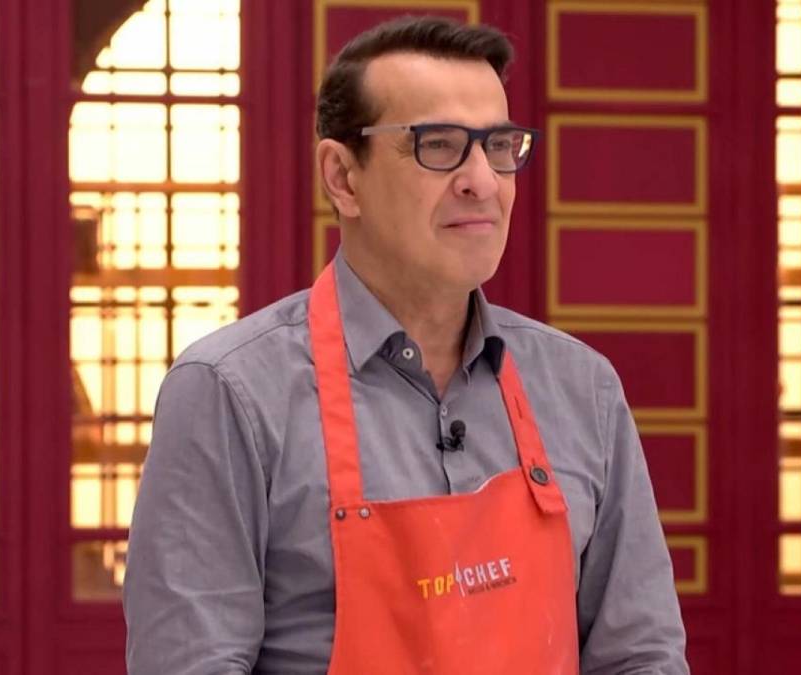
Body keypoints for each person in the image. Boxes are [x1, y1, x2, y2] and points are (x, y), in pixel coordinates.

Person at [123, 15, 688, 674]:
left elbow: (640, 655)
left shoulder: (581, 387)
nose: (483, 180)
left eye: (498, 146)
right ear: (343, 177)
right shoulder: (231, 393)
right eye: (439, 145)